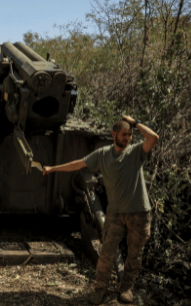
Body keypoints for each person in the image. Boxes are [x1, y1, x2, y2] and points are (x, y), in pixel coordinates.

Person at [43, 116, 159, 304]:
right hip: (115, 213)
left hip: (139, 213)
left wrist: (135, 123)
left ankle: (126, 288)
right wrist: (53, 168)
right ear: (114, 134)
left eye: (130, 135)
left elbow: (153, 138)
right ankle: (100, 289)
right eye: (124, 134)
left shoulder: (136, 152)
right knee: (106, 254)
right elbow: (78, 164)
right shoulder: (103, 154)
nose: (127, 138)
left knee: (134, 255)